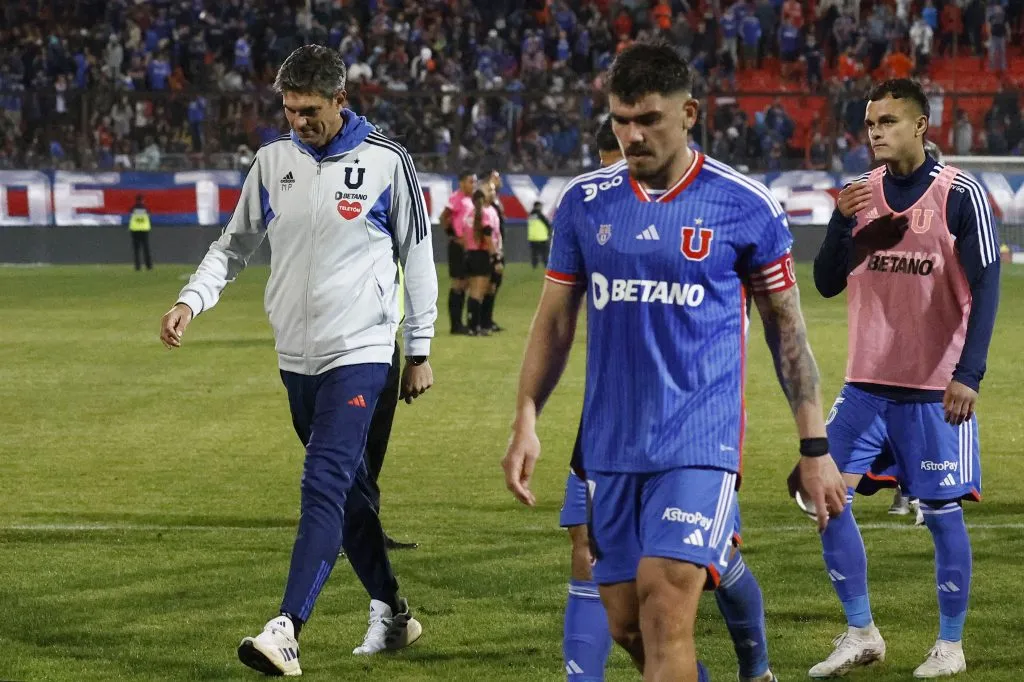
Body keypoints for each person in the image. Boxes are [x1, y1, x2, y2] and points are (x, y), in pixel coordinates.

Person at [502, 42, 846, 682]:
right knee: (627, 624)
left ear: (689, 114)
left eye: (648, 120)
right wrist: (526, 417)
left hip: (700, 443)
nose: (632, 135)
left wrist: (814, 445)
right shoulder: (585, 203)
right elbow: (554, 321)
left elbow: (787, 333)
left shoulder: (743, 204)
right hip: (610, 447)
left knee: (664, 608)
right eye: (621, 120)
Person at [158, 45, 437, 676]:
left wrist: (419, 349)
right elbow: (233, 246)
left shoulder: (387, 162)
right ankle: (393, 612)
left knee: (322, 483)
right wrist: (190, 300)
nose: (298, 121)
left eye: (309, 110)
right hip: (296, 357)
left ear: (341, 100)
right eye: (289, 110)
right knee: (350, 496)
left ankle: (286, 630)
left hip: (362, 350)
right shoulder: (272, 161)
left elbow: (417, 256)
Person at [556, 124, 779, 682]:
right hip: (608, 432)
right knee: (619, 608)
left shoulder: (715, 213)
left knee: (689, 588)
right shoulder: (593, 212)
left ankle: (756, 669)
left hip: (695, 434)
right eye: (607, 160)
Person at [810, 78, 999, 679]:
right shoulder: (860, 195)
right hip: (865, 385)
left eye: (887, 122)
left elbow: (988, 285)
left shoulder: (959, 194)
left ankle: (950, 646)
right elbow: (826, 282)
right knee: (823, 497)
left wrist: (969, 374)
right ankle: (861, 631)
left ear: (920, 125)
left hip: (934, 390)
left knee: (942, 514)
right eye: (870, 123)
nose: (875, 132)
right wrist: (839, 222)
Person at [440, 171, 475, 334]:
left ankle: (459, 322)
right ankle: (455, 325)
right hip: (458, 246)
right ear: (461, 183)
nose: (473, 185)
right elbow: (444, 217)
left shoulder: (470, 199)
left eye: (474, 182)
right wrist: (453, 236)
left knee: (465, 283)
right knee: (458, 284)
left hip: (468, 246)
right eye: (470, 181)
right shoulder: (456, 197)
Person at [463, 187, 499, 336]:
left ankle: (471, 325)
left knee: (472, 292)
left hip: (469, 255)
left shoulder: (468, 215)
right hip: (481, 255)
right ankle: (475, 327)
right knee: (479, 293)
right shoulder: (484, 215)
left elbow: (464, 236)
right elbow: (488, 238)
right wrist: (495, 257)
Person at [480, 178, 505, 333]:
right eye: (489, 190)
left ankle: (487, 321)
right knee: (484, 288)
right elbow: (487, 235)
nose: (492, 193)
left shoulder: (492, 209)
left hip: (496, 251)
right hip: (486, 253)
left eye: (493, 190)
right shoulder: (482, 211)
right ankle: (479, 323)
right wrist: (495, 257)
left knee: (492, 287)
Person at [129, 194, 153, 271]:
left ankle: (137, 267)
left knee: (136, 250)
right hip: (144, 230)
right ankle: (148, 266)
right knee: (146, 249)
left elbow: (131, 217)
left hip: (135, 230)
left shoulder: (132, 209)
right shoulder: (145, 209)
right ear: (142, 200)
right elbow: (148, 217)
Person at [527, 201, 552, 269]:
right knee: (544, 254)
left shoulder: (531, 215)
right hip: (541, 238)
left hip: (532, 238)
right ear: (537, 206)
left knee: (534, 254)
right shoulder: (539, 215)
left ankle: (534, 267)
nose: (541, 207)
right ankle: (546, 266)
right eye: (540, 206)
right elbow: (547, 224)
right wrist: (548, 232)